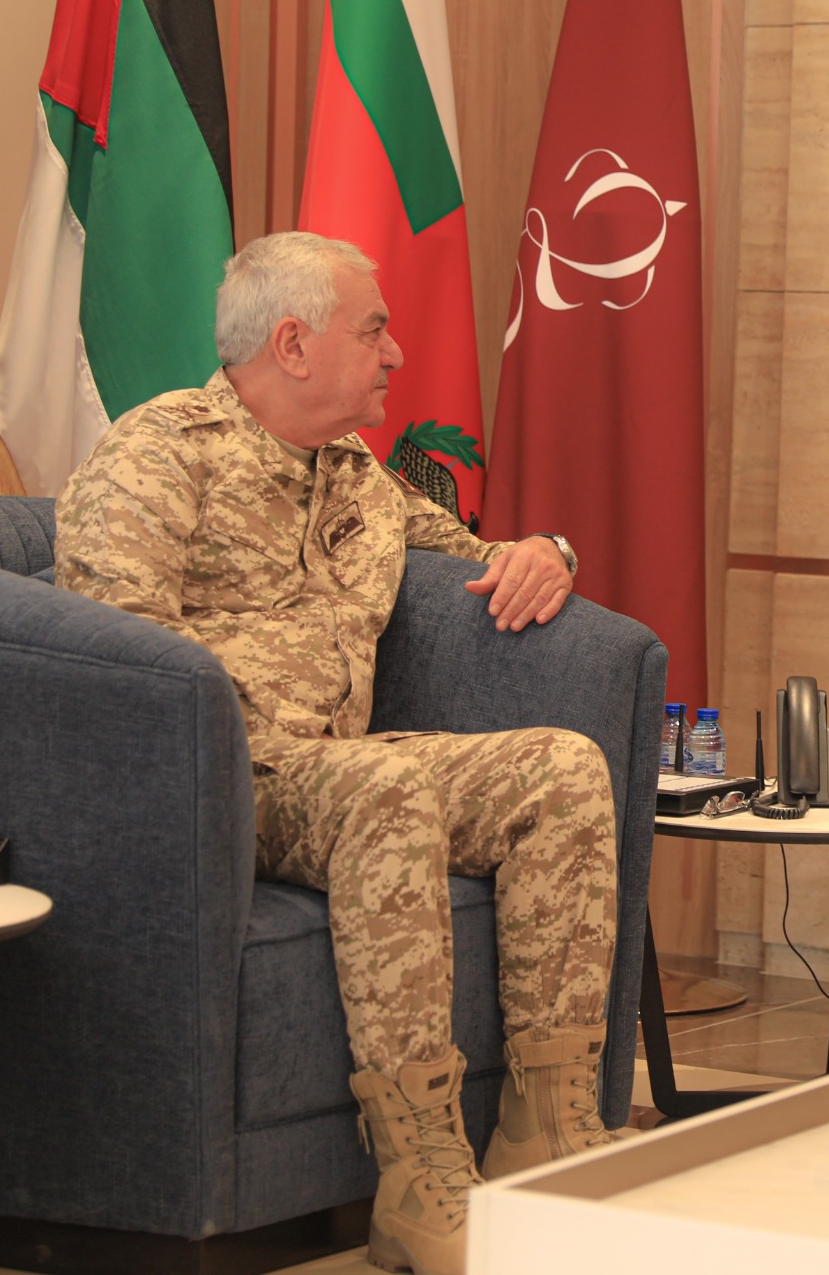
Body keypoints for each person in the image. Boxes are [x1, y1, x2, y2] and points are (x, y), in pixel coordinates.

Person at [56, 231, 624, 1275]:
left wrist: (552, 552)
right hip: (217, 776)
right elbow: (107, 650)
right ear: (293, 343)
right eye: (373, 330)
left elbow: (480, 556)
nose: (396, 353)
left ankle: (550, 1133)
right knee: (385, 786)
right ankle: (420, 1176)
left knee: (562, 769)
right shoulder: (159, 452)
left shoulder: (359, 477)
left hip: (342, 769)